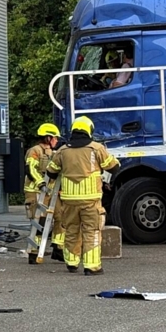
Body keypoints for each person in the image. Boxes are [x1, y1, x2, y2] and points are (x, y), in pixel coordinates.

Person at [47, 116, 120, 275]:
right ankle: (92, 267)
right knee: (91, 232)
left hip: (69, 201)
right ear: (89, 130)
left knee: (71, 230)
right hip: (90, 200)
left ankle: (72, 263)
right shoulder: (96, 148)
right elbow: (113, 167)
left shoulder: (62, 150)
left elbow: (51, 172)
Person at [24, 123, 65, 260]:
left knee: (61, 217)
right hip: (35, 191)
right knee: (39, 222)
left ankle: (58, 249)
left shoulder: (54, 153)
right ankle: (34, 253)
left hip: (51, 192)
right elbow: (31, 169)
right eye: (55, 138)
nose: (57, 140)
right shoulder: (35, 151)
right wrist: (41, 184)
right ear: (48, 137)